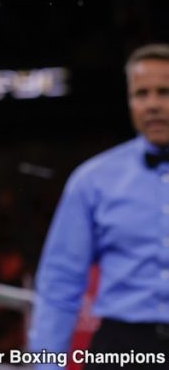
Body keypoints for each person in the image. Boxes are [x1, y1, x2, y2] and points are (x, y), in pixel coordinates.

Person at [28, 43, 169, 369]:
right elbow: (60, 283)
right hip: (122, 349)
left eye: (164, 92)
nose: (152, 105)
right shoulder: (92, 180)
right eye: (141, 93)